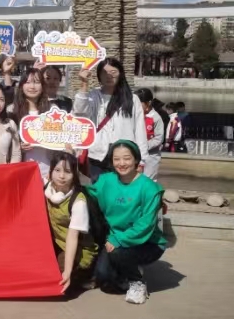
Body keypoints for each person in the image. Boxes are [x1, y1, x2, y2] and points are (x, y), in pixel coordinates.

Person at [86, 140, 166, 304]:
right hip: (114, 238)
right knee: (105, 279)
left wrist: (118, 239)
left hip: (148, 242)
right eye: (116, 159)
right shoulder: (106, 180)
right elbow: (87, 195)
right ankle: (124, 271)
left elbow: (145, 225)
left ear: (136, 159)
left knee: (118, 253)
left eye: (127, 158)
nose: (121, 163)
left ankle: (137, 282)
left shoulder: (149, 187)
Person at [74, 58, 148, 181]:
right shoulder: (93, 95)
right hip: (98, 155)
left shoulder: (132, 99)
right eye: (104, 73)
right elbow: (79, 112)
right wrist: (84, 84)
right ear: (99, 75)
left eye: (113, 72)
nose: (109, 76)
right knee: (99, 189)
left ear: (120, 73)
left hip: (124, 156)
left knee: (123, 190)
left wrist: (142, 160)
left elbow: (140, 130)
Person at [45, 152, 98, 294]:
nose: (61, 176)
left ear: (74, 175)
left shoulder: (78, 201)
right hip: (56, 243)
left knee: (58, 274)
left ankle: (87, 273)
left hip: (78, 248)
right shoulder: (46, 189)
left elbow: (72, 237)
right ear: (50, 172)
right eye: (57, 170)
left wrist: (67, 272)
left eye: (67, 171)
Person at [9, 67, 53, 179]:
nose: (32, 87)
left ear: (43, 86)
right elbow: (4, 141)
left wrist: (55, 169)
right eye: (27, 82)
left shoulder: (52, 110)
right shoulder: (11, 110)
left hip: (47, 170)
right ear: (21, 86)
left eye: (37, 82)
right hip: (20, 170)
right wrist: (18, 147)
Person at [134, 88, 165, 181]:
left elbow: (158, 138)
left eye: (139, 103)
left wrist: (144, 146)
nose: (136, 106)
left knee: (148, 180)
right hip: (135, 153)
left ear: (149, 102)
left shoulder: (156, 118)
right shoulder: (135, 115)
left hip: (151, 155)